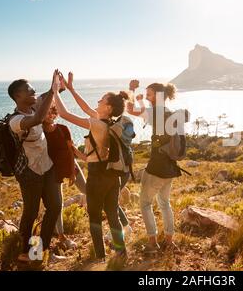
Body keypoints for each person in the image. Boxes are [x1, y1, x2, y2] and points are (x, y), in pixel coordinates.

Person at [52, 73, 128, 263]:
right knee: (112, 215)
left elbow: (64, 114)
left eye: (102, 99)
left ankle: (101, 258)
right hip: (112, 176)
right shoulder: (108, 123)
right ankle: (121, 252)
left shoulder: (96, 124)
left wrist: (55, 91)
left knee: (94, 217)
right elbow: (85, 108)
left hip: (97, 178)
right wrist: (70, 89)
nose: (98, 100)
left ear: (108, 107)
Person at [7, 70, 61, 263]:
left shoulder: (35, 105)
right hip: (30, 172)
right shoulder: (15, 121)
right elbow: (38, 119)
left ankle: (38, 250)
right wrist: (53, 92)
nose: (34, 92)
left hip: (48, 167)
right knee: (31, 212)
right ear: (18, 96)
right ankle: (24, 252)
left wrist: (56, 84)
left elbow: (49, 94)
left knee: (55, 206)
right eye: (30, 90)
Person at [127, 80, 182, 254]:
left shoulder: (155, 113)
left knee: (144, 204)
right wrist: (142, 100)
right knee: (165, 204)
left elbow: (130, 110)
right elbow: (145, 114)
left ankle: (152, 243)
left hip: (156, 168)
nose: (148, 97)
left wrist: (132, 89)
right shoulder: (169, 114)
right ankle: (169, 240)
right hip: (170, 168)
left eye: (150, 94)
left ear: (158, 96)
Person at [42, 104, 87, 250]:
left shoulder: (62, 128)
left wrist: (73, 172)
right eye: (46, 112)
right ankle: (61, 236)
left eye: (52, 112)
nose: (49, 115)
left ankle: (106, 218)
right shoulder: (39, 132)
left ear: (55, 113)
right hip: (53, 171)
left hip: (70, 164)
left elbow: (70, 149)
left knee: (87, 190)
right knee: (58, 204)